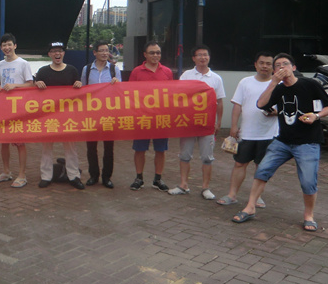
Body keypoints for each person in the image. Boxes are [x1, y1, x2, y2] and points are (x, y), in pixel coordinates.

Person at [232, 53, 328, 231]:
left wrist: (316, 116)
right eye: (277, 65)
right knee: (262, 170)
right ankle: (250, 207)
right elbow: (261, 104)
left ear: (293, 67)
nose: (281, 68)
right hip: (283, 141)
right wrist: (273, 82)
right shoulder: (278, 89)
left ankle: (308, 215)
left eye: (285, 64)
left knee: (308, 181)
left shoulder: (309, 84)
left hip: (308, 142)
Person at [216, 52, 277, 207]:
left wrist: (276, 112)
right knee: (239, 164)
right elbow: (237, 105)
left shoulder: (279, 85)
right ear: (255, 64)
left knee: (261, 167)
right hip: (247, 133)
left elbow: (285, 108)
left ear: (273, 67)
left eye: (268, 64)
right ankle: (232, 195)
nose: (264, 66)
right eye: (261, 63)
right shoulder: (245, 82)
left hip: (269, 134)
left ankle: (257, 197)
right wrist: (234, 126)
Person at [169, 45, 225, 199]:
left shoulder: (216, 78)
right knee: (184, 155)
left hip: (207, 124)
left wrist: (218, 122)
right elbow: (178, 97)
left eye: (205, 55)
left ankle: (206, 188)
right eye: (199, 55)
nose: (203, 58)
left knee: (207, 157)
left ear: (209, 57)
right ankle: (183, 185)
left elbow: (220, 102)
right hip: (188, 123)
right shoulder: (186, 75)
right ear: (193, 58)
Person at [35, 41, 85, 190]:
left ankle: (73, 175)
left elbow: (79, 90)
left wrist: (78, 85)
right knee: (47, 146)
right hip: (48, 115)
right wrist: (36, 84)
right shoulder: (43, 71)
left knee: (71, 147)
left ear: (63, 53)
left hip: (68, 115)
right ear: (49, 54)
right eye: (54, 51)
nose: (57, 53)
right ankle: (46, 176)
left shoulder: (72, 70)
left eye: (60, 51)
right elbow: (34, 92)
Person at [128, 41, 173, 191]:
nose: (155, 55)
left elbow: (172, 94)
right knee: (139, 149)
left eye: (158, 52)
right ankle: (139, 178)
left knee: (161, 149)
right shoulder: (136, 72)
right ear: (145, 55)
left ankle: (157, 179)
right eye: (152, 53)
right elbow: (129, 94)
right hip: (142, 117)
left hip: (161, 117)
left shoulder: (167, 72)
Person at [0, 33, 34, 188]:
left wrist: (15, 85)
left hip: (20, 108)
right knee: (4, 142)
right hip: (4, 108)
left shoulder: (23, 64)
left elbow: (30, 84)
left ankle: (22, 175)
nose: (7, 47)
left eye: (9, 44)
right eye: (4, 45)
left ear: (15, 46)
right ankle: (6, 171)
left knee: (20, 143)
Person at [81, 40, 120, 188]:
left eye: (106, 51)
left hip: (109, 113)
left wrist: (117, 84)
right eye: (102, 50)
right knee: (91, 146)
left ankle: (106, 177)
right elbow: (83, 90)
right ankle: (93, 175)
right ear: (95, 53)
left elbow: (121, 91)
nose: (105, 53)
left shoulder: (114, 69)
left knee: (108, 147)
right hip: (91, 114)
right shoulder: (87, 69)